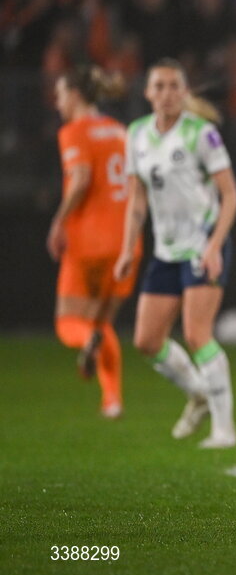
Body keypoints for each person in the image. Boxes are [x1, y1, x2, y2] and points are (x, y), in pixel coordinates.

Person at [114, 58, 236, 448]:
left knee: (196, 334)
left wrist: (215, 245)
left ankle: (224, 429)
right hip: (166, 250)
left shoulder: (201, 134)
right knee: (147, 341)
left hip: (203, 245)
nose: (167, 93)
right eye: (159, 86)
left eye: (174, 86)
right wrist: (127, 249)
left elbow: (230, 194)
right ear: (147, 92)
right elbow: (137, 199)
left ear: (184, 92)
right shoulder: (136, 134)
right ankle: (199, 394)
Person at [48, 65, 141, 419]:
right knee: (102, 323)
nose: (57, 102)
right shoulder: (120, 131)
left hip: (89, 240)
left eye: (60, 94)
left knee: (68, 323)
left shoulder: (74, 131)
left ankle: (88, 343)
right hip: (126, 243)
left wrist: (59, 220)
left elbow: (81, 178)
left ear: (75, 95)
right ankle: (112, 401)